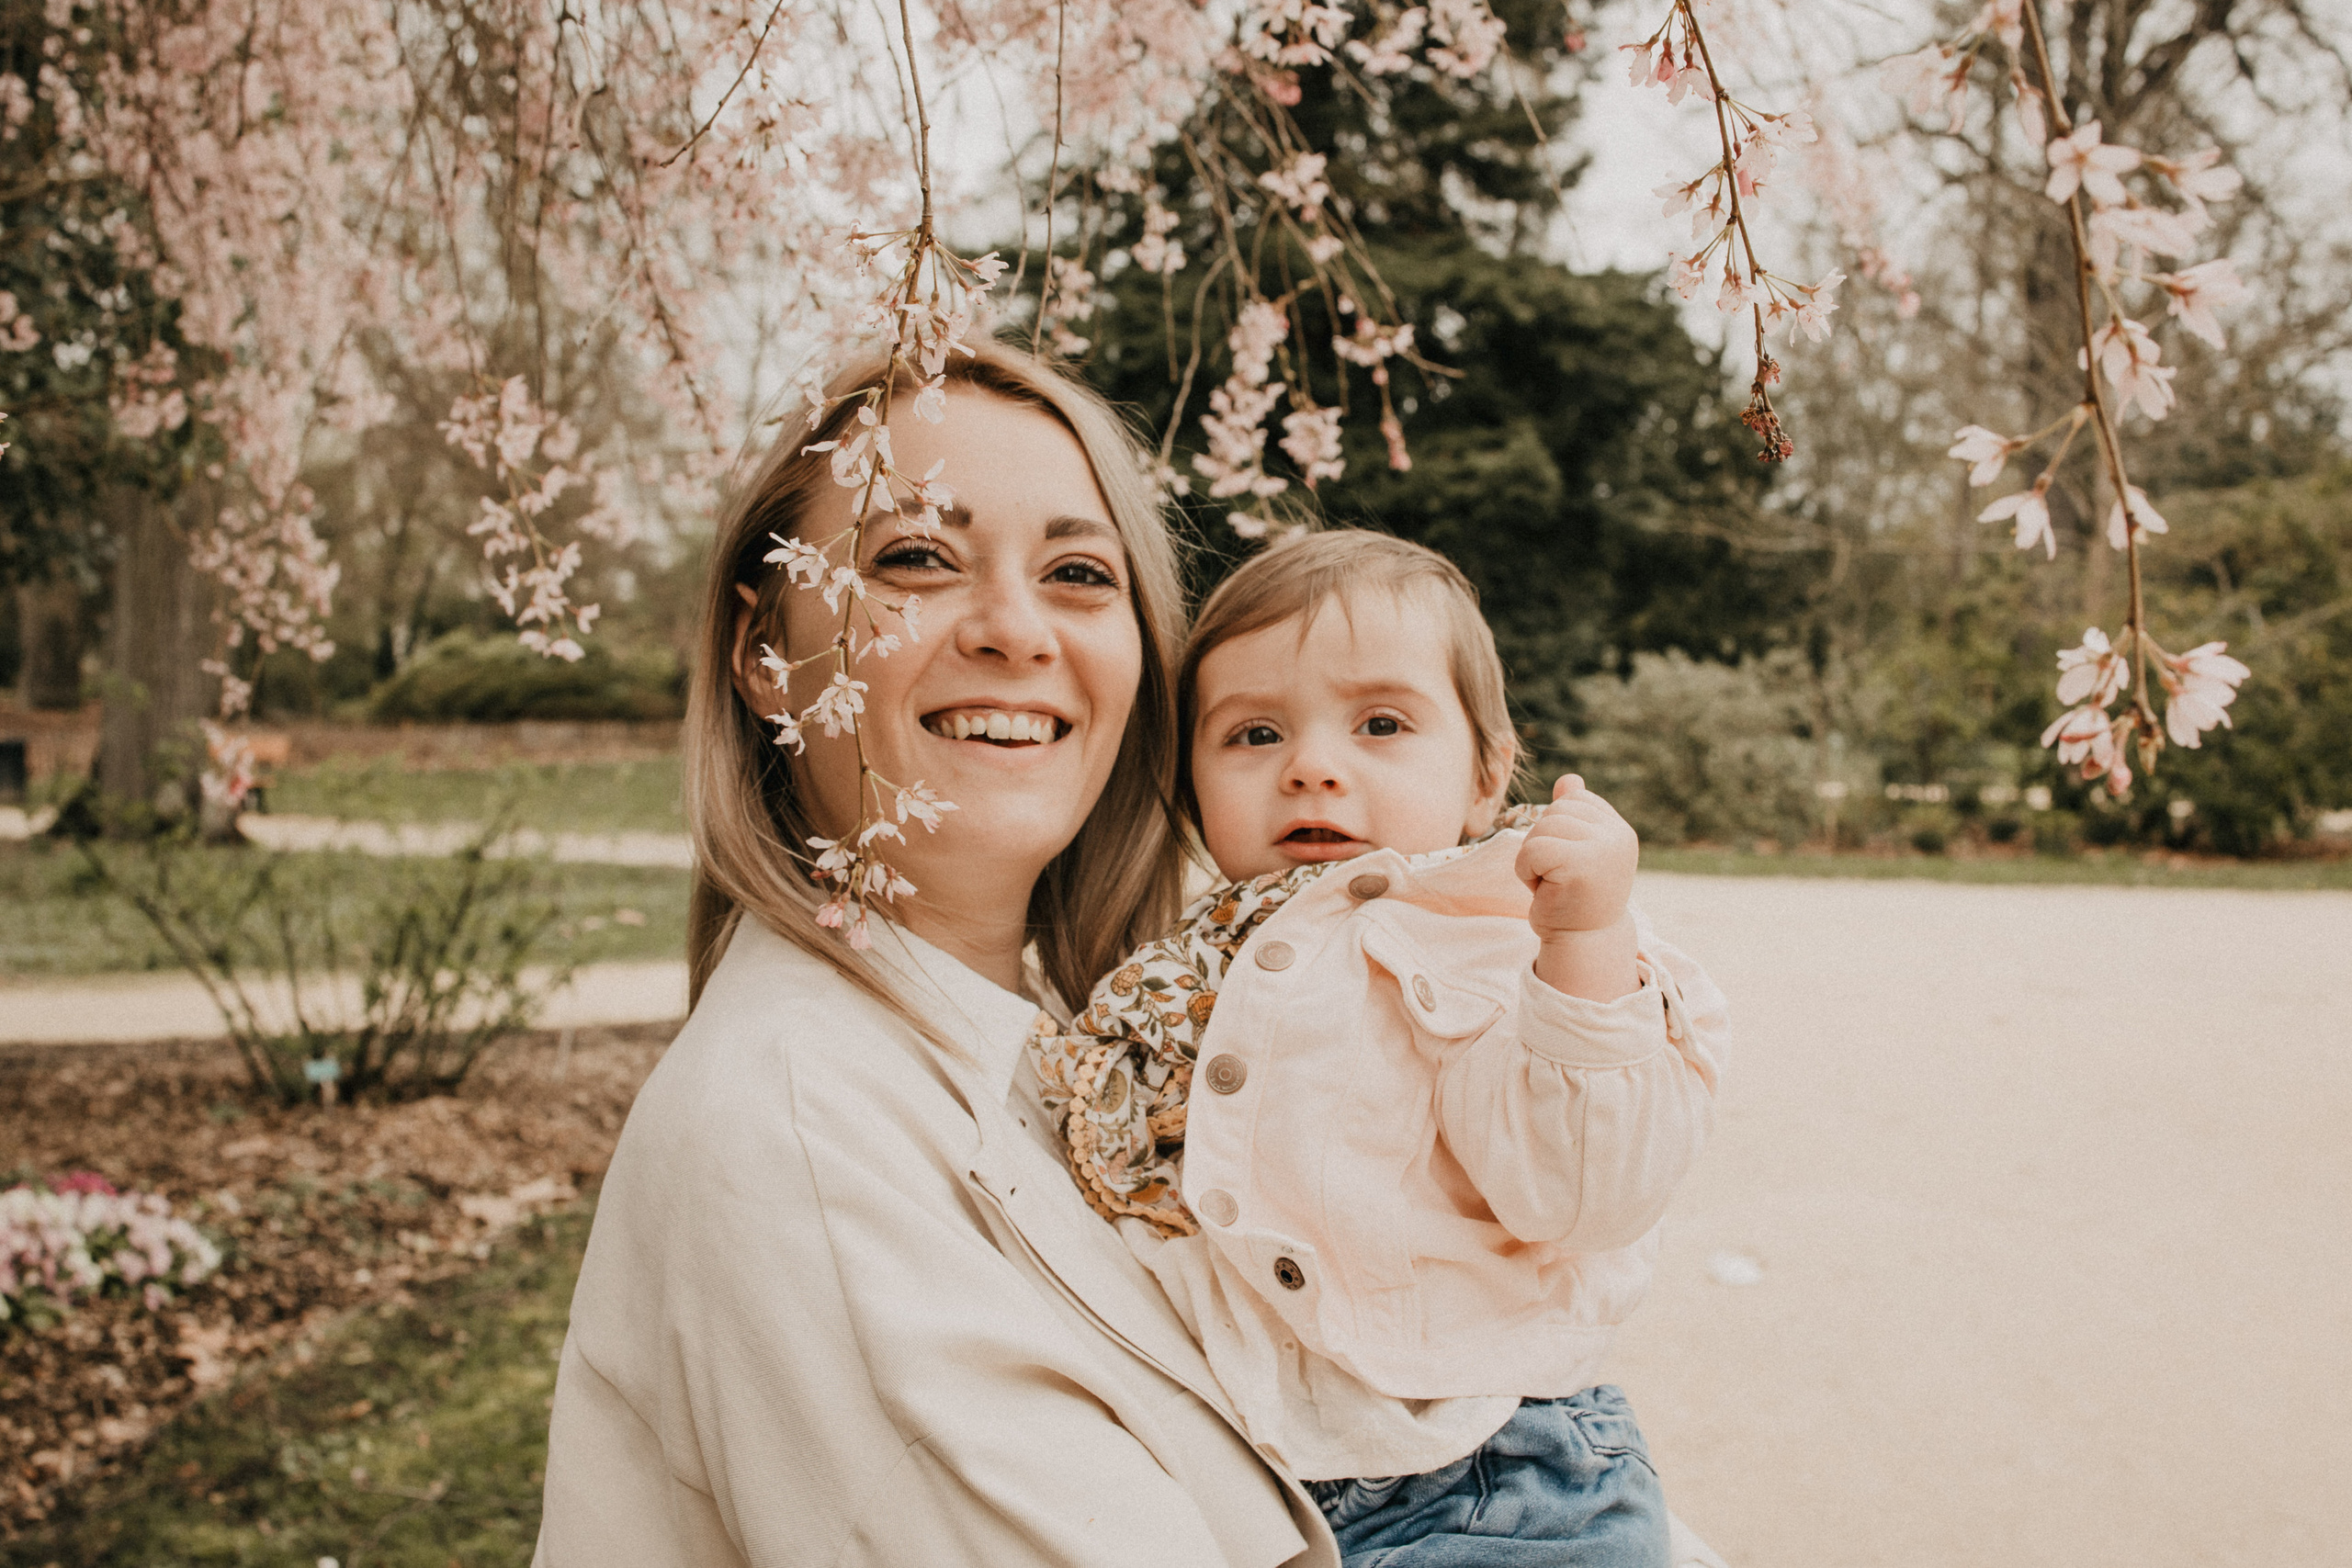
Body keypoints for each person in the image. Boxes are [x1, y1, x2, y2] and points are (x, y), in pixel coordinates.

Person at [534, 342, 1344, 1566]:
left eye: (1080, 571)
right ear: (764, 653)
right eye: (915, 557)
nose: (1018, 630)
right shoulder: (802, 1136)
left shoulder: (1050, 1051)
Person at [1031, 531, 1732, 1567]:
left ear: (1487, 775)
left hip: (1490, 1479)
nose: (1312, 767)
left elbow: (1582, 1196)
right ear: (1188, 787)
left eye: (1382, 724)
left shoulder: (1495, 945)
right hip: (1269, 1476)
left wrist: (1586, 944)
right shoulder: (1185, 968)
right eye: (1255, 734)